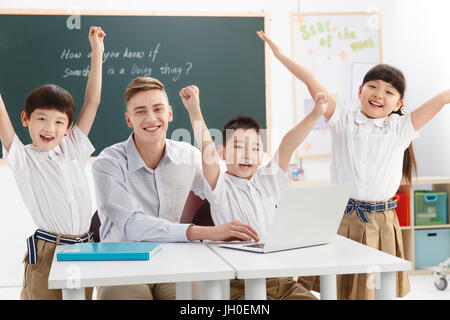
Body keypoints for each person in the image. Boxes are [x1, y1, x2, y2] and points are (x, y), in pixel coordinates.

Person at [257, 30, 450, 299]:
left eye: (389, 91)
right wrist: (280, 55)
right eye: (372, 86)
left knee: (376, 292)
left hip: (382, 221)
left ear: (399, 103)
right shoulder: (343, 119)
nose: (378, 94)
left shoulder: (401, 128)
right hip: (342, 216)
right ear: (360, 90)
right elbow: (311, 81)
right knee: (337, 289)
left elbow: (442, 99)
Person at [91, 76, 259, 300]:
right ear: (129, 119)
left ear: (169, 113)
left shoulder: (187, 156)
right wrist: (201, 232)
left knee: (204, 300)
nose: (151, 118)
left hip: (171, 260)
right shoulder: (108, 163)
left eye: (157, 109)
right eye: (140, 111)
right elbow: (133, 226)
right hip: (122, 264)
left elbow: (219, 190)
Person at [179, 84, 327, 300]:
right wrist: (194, 110)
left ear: (262, 154)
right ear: (222, 153)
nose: (248, 155)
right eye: (239, 147)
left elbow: (287, 144)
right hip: (239, 284)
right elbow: (206, 149)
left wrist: (316, 113)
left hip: (280, 280)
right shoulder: (220, 187)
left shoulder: (267, 181)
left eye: (255, 148)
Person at [0, 26, 106, 299]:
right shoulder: (22, 158)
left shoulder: (74, 147)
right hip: (49, 252)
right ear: (25, 119)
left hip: (84, 248)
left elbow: (92, 102)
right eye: (41, 119)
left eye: (59, 122)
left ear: (69, 126)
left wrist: (97, 53)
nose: (49, 128)